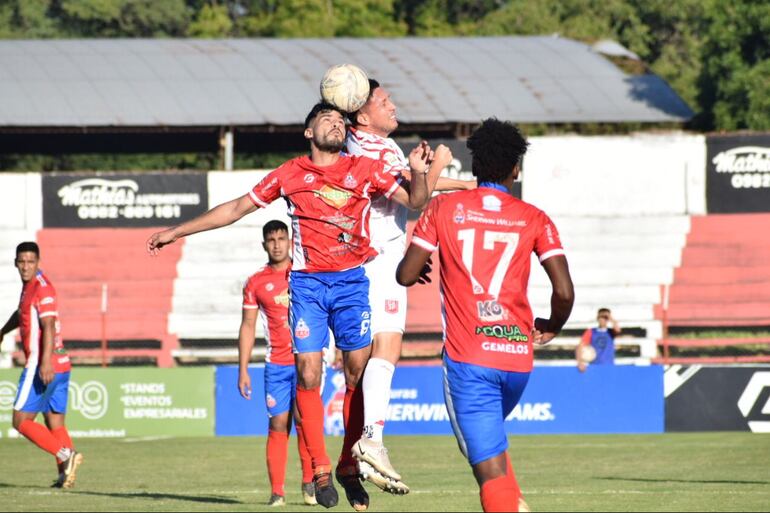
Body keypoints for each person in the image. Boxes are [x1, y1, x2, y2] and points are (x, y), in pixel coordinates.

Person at [147, 102, 451, 510]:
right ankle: (321, 469)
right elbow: (236, 208)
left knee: (358, 370)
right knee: (309, 374)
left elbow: (415, 201)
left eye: (340, 121)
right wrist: (176, 231)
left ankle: (347, 463)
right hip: (307, 285)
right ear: (308, 132)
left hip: (351, 284)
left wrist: (419, 170)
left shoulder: (364, 168)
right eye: (326, 119)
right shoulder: (290, 174)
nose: (335, 124)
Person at [396, 119, 575, 512]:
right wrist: (552, 324)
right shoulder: (535, 217)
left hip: (469, 359)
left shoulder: (444, 207)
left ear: (474, 166)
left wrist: (420, 262)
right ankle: (516, 502)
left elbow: (406, 274)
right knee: (490, 448)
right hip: (516, 359)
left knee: (485, 466)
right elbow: (563, 291)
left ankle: (509, 502)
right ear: (516, 169)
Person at [345, 79, 474, 494]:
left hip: (369, 257)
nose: (393, 105)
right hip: (379, 257)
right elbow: (415, 198)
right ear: (363, 114)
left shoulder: (359, 144)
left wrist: (458, 184)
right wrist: (437, 166)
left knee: (363, 364)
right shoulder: (376, 148)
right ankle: (371, 442)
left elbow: (412, 186)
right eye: (384, 102)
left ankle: (356, 456)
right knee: (387, 349)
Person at [237, 220, 317, 507]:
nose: (277, 244)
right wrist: (243, 368)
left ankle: (310, 481)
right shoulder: (256, 282)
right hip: (277, 364)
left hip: (307, 360)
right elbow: (247, 326)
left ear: (289, 240)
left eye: (282, 238)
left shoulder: (305, 272)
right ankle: (277, 491)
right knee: (278, 423)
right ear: (264, 244)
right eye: (271, 239)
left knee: (304, 420)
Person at [0, 242, 83, 489]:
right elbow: (21, 313)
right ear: (16, 262)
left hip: (42, 363)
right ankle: (65, 473)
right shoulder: (29, 288)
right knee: (54, 422)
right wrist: (3, 330)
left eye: (30, 262)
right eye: (22, 262)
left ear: (38, 263)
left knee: (20, 421)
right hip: (61, 364)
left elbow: (47, 325)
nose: (25, 266)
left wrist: (44, 362)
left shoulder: (42, 289)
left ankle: (66, 455)